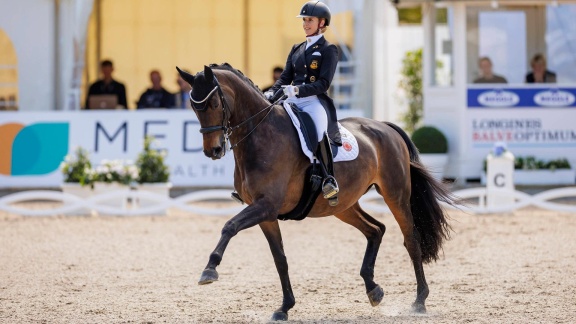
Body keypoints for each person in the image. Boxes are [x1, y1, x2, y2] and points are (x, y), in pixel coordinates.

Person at [264, 1, 341, 206]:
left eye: (310, 20)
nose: (306, 24)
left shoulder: (329, 49)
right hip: (290, 100)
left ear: (321, 23)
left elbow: (323, 84)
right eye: (305, 20)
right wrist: (272, 91)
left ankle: (328, 178)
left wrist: (298, 89)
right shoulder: (296, 49)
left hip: (313, 101)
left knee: (318, 132)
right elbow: (284, 78)